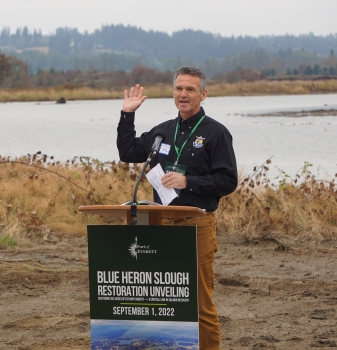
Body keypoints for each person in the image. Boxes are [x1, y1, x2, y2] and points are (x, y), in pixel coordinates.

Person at [117, 66, 238, 350]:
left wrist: (189, 181)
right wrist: (127, 114)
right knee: (164, 298)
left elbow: (228, 180)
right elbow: (128, 152)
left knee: (199, 301)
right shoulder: (162, 132)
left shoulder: (216, 133)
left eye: (190, 89)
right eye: (178, 89)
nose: (183, 94)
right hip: (160, 226)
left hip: (196, 226)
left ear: (203, 95)